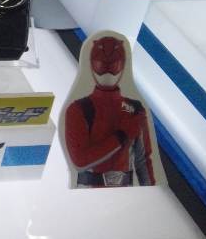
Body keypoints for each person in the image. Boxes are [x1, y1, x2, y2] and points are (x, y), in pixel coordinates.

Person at [63, 34, 156, 188]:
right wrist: (122, 135)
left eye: (113, 65)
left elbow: (143, 160)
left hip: (123, 189)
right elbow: (79, 161)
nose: (108, 70)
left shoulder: (135, 109)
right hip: (90, 190)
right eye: (103, 64)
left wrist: (150, 192)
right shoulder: (78, 109)